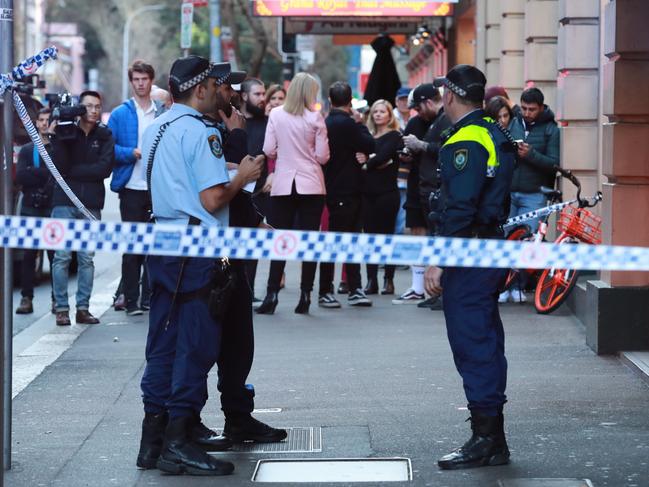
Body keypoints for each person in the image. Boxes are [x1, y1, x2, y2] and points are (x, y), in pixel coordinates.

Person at [137, 57, 266, 476]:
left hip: (165, 242)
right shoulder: (200, 132)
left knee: (162, 344)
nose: (218, 89)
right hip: (196, 249)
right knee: (195, 346)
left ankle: (153, 440)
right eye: (213, 82)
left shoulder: (158, 125)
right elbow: (212, 199)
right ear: (200, 87)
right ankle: (178, 441)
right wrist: (242, 174)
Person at [425, 64, 516, 470]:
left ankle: (487, 440)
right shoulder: (492, 131)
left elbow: (459, 209)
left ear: (449, 94)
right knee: (485, 340)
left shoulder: (467, 140)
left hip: (470, 256)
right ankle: (491, 435)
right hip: (487, 251)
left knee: (473, 342)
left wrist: (439, 263)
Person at [255, 72, 330, 315]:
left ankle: (271, 293)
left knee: (281, 240)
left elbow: (268, 150)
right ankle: (306, 294)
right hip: (311, 184)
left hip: (284, 184)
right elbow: (323, 156)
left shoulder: (276, 115)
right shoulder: (315, 117)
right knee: (310, 240)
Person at [50, 91, 114, 326]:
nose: (94, 111)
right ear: (79, 108)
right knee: (62, 257)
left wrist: (75, 172)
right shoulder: (67, 131)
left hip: (91, 205)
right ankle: (61, 309)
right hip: (64, 202)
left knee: (86, 258)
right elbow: (60, 166)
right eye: (88, 106)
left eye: (98, 106)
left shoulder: (105, 135)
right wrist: (60, 134)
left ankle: (83, 308)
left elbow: (104, 169)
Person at [108, 60, 164, 316]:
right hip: (130, 187)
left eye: (145, 79)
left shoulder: (162, 112)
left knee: (154, 247)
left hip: (156, 189)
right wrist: (131, 153)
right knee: (132, 248)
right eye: (136, 80)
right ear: (131, 82)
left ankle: (148, 298)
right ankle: (130, 299)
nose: (141, 84)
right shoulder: (121, 114)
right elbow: (109, 150)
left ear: (152, 80)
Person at [317, 81, 375, 309]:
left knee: (335, 239)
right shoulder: (349, 125)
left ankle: (331, 289)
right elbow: (369, 144)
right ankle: (345, 288)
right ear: (350, 101)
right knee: (349, 239)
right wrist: (361, 125)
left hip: (331, 187)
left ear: (330, 100)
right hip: (349, 188)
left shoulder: (326, 123)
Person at [505, 87, 560, 303]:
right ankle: (503, 287)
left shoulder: (551, 130)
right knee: (507, 241)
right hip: (510, 192)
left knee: (528, 243)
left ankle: (519, 286)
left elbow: (554, 164)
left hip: (534, 195)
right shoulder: (515, 123)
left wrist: (531, 154)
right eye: (524, 108)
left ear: (541, 107)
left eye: (532, 109)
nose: (527, 113)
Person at [393, 84, 441, 305]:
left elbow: (446, 149)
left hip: (436, 186)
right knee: (418, 230)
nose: (417, 114)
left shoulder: (444, 121)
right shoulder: (415, 122)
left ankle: (435, 288)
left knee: (436, 234)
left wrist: (421, 145)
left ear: (429, 102)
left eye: (419, 108)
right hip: (417, 184)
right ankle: (418, 286)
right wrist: (407, 152)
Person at [356, 99, 403, 296]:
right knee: (370, 238)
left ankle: (388, 280)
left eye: (382, 111)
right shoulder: (367, 135)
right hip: (367, 193)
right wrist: (371, 161)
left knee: (387, 237)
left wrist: (369, 161)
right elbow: (359, 157)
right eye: (375, 111)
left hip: (387, 194)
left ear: (389, 115)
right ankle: (371, 280)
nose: (378, 114)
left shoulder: (394, 135)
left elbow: (384, 156)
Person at [15, 108, 55, 315]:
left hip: (51, 207)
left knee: (54, 255)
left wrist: (35, 172)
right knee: (29, 256)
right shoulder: (27, 150)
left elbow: (60, 175)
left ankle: (57, 300)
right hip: (30, 206)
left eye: (48, 120)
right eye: (41, 120)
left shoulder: (58, 148)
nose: (44, 123)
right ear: (36, 123)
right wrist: (44, 173)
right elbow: (21, 176)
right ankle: (26, 298)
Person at [393, 87, 411, 238]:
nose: (404, 103)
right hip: (393, 175)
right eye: (401, 99)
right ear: (396, 101)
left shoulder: (416, 117)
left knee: (403, 215)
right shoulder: (390, 118)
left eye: (407, 99)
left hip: (410, 175)